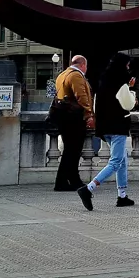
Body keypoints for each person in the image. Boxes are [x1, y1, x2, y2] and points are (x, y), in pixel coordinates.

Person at [78, 53, 136, 210]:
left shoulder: (104, 80)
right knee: (116, 161)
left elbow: (97, 103)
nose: (128, 68)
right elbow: (128, 104)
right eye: (127, 65)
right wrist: (131, 91)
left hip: (105, 127)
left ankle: (122, 196)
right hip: (118, 126)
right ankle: (89, 188)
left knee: (122, 159)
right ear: (123, 65)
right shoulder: (121, 82)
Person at [52, 55, 93, 193]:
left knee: (69, 151)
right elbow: (82, 97)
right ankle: (73, 181)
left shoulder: (62, 75)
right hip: (74, 118)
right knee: (73, 151)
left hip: (63, 117)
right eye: (86, 66)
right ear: (82, 65)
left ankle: (63, 181)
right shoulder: (76, 76)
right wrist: (89, 115)